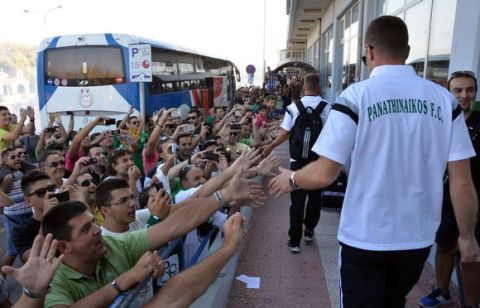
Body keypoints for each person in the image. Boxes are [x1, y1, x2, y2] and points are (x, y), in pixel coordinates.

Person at [269, 16, 480, 307]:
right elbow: (462, 179)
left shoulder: (356, 97)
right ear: (407, 51)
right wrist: (467, 237)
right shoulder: (446, 102)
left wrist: (291, 179)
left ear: (369, 51)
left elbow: (324, 174)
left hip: (365, 237)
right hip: (417, 240)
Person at [41, 169, 264, 307]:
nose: (97, 230)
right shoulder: (52, 278)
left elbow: (174, 225)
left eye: (93, 223)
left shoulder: (112, 245)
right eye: (86, 229)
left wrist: (224, 195)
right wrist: (125, 280)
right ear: (64, 247)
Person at [420, 71, 480, 308]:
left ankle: (473, 303)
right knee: (444, 244)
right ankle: (442, 291)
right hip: (445, 196)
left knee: (471, 254)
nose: (464, 95)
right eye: (458, 90)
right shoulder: (439, 122)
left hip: (474, 198)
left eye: (470, 90)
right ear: (448, 92)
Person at [263, 73, 330, 253]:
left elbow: (284, 134)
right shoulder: (328, 108)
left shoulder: (293, 108)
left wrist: (270, 146)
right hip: (319, 162)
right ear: (319, 88)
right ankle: (309, 230)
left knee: (297, 201)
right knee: (315, 198)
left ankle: (294, 241)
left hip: (297, 162)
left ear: (303, 88)